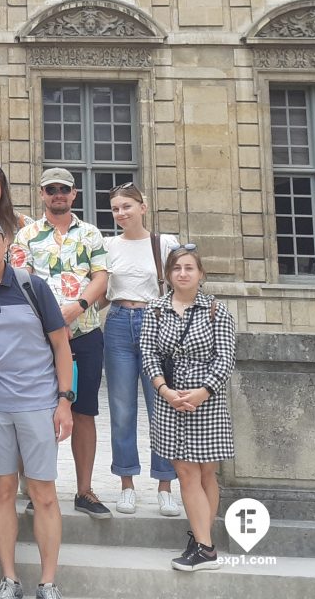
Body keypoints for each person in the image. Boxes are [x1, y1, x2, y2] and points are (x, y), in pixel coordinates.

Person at [0, 216, 73, 599]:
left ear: (5, 241)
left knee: (43, 492)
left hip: (39, 404)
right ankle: (9, 578)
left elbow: (61, 345)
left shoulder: (32, 286)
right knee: (3, 491)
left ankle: (48, 581)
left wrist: (64, 400)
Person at [12, 168, 110, 519]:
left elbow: (101, 276)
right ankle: (37, 490)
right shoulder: (25, 236)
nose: (57, 194)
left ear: (74, 194)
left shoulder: (91, 234)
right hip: (41, 338)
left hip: (84, 333)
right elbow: (22, 283)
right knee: (37, 412)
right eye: (51, 189)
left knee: (83, 413)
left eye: (63, 189)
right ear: (41, 194)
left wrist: (77, 307)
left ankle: (84, 491)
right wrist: (53, 321)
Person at [140, 245, 236, 572]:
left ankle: (202, 544)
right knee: (185, 471)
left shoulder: (216, 311)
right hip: (170, 399)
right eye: (177, 268)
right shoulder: (155, 309)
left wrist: (202, 392)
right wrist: (164, 390)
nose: (183, 273)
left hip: (205, 401)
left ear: (201, 273)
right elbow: (148, 354)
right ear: (168, 275)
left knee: (206, 471)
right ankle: (204, 544)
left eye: (189, 268)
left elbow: (225, 358)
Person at [103, 183, 181, 516]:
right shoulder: (107, 245)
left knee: (160, 408)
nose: (121, 213)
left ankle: (165, 486)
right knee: (121, 411)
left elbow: (183, 283)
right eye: (116, 209)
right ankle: (126, 485)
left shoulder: (164, 244)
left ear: (143, 207)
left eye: (127, 207)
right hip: (119, 321)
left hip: (156, 322)